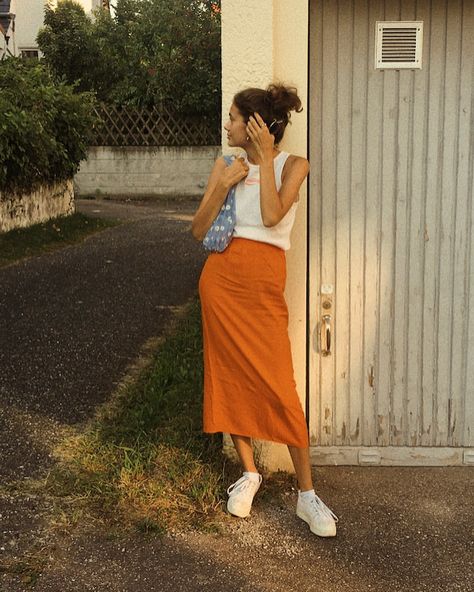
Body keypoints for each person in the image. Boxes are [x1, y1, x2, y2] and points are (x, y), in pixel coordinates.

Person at [191, 83, 338, 537]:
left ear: (255, 125)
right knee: (230, 374)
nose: (227, 125)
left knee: (280, 384)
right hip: (221, 283)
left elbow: (273, 217)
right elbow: (198, 229)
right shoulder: (226, 164)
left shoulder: (294, 165)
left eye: (234, 118)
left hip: (264, 287)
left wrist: (267, 159)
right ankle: (250, 474)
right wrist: (225, 184)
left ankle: (307, 496)